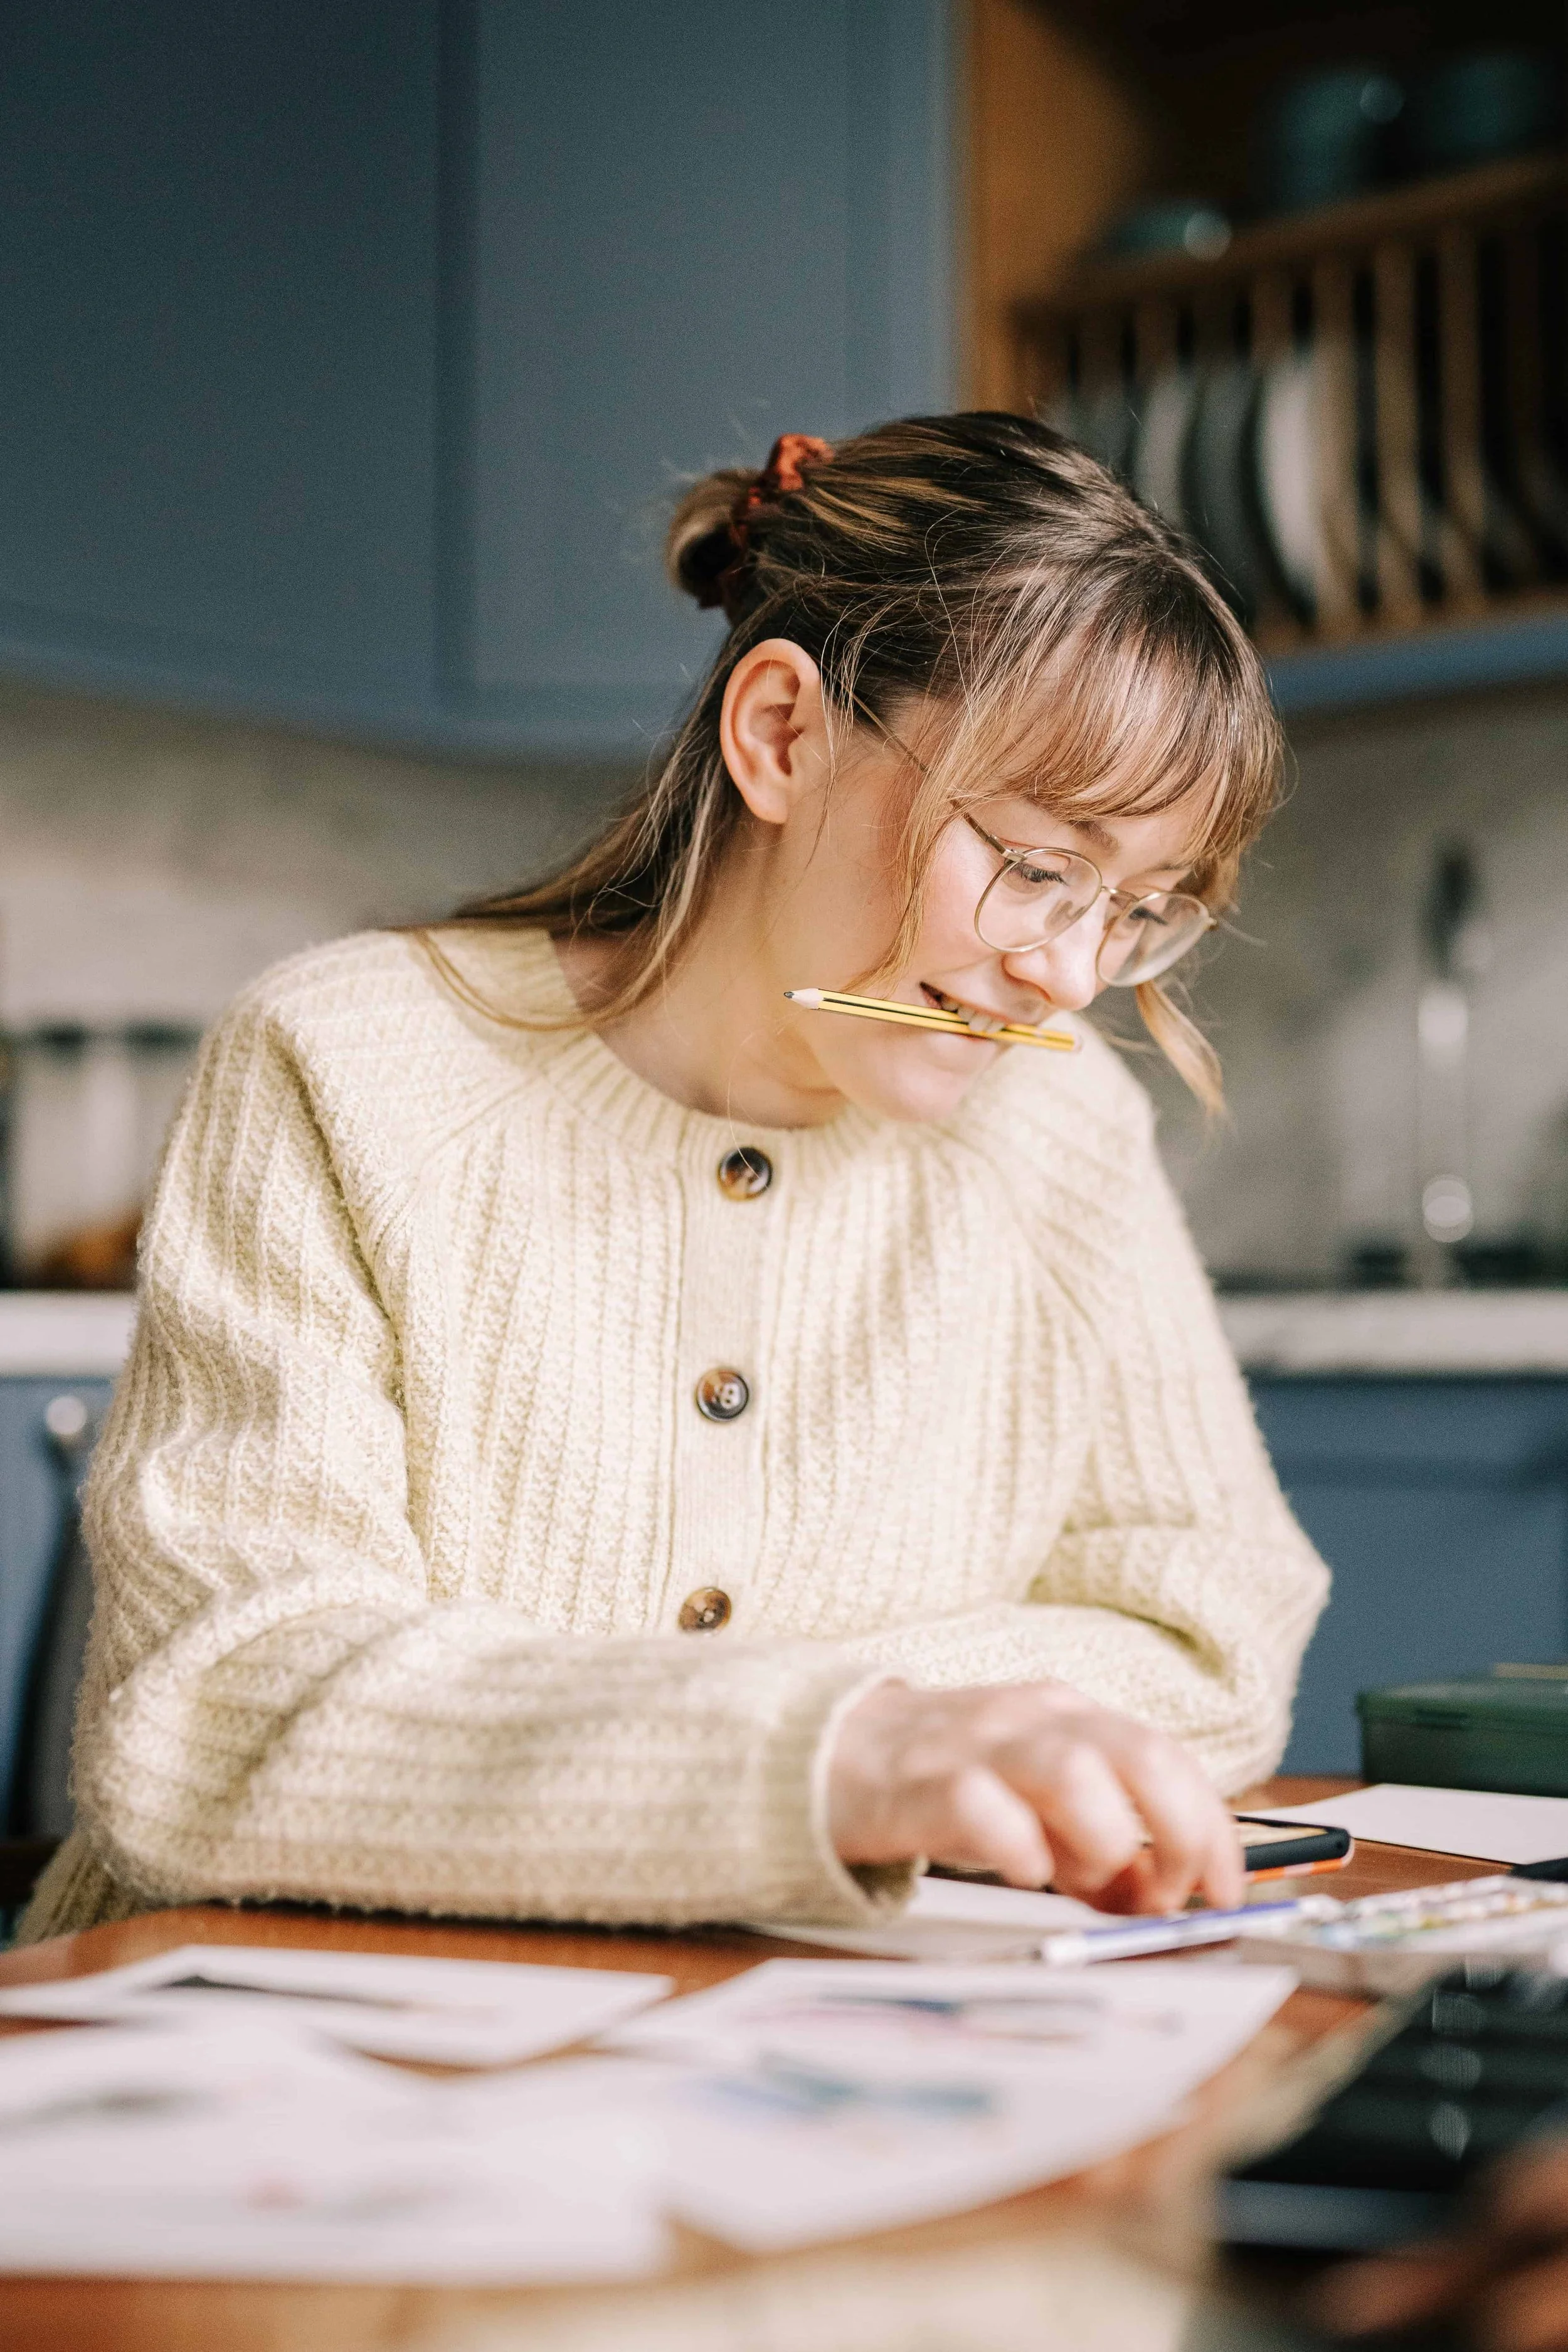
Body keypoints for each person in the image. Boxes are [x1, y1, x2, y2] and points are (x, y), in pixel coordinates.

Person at [20, 414, 1328, 1946]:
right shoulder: (345, 1065)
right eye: (1037, 869)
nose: (1069, 976)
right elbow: (216, 1714)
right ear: (780, 736)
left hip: (790, 2029)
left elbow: (1206, 1633)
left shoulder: (1060, 1131)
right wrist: (841, 1749)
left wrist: (881, 1738)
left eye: (1138, 910)